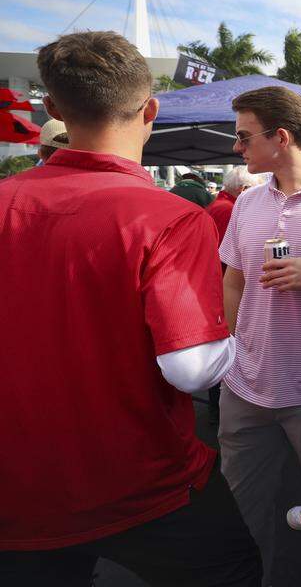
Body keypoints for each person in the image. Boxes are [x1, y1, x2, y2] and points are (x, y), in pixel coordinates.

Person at [0, 31, 260, 585]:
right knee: (237, 565)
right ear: (150, 109)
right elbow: (190, 366)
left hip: (17, 485)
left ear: (54, 109)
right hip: (143, 480)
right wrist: (240, 331)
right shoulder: (165, 217)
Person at [218, 86, 301, 587]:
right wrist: (233, 348)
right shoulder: (248, 202)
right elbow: (234, 278)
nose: (238, 148)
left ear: (283, 137)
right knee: (236, 504)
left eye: (245, 137)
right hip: (245, 385)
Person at [204, 164, 261, 424]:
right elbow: (234, 264)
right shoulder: (229, 209)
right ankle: (216, 407)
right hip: (221, 289)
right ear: (245, 189)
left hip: (215, 286)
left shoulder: (220, 205)